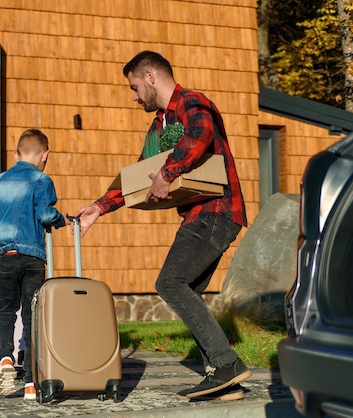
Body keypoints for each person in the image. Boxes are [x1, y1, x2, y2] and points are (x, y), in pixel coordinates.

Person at [75, 51, 251, 400]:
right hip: (203, 215)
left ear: (151, 76)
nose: (134, 95)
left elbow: (200, 133)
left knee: (169, 282)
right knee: (189, 292)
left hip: (215, 211)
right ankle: (223, 379)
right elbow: (141, 175)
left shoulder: (191, 102)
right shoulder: (160, 125)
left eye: (135, 87)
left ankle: (225, 363)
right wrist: (99, 207)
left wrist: (169, 173)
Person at [0, 129, 68, 400]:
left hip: (4, 257)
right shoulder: (41, 179)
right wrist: (61, 219)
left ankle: (6, 359)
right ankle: (31, 383)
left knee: (5, 311)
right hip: (32, 258)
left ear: (16, 154)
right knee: (32, 318)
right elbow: (45, 214)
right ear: (45, 155)